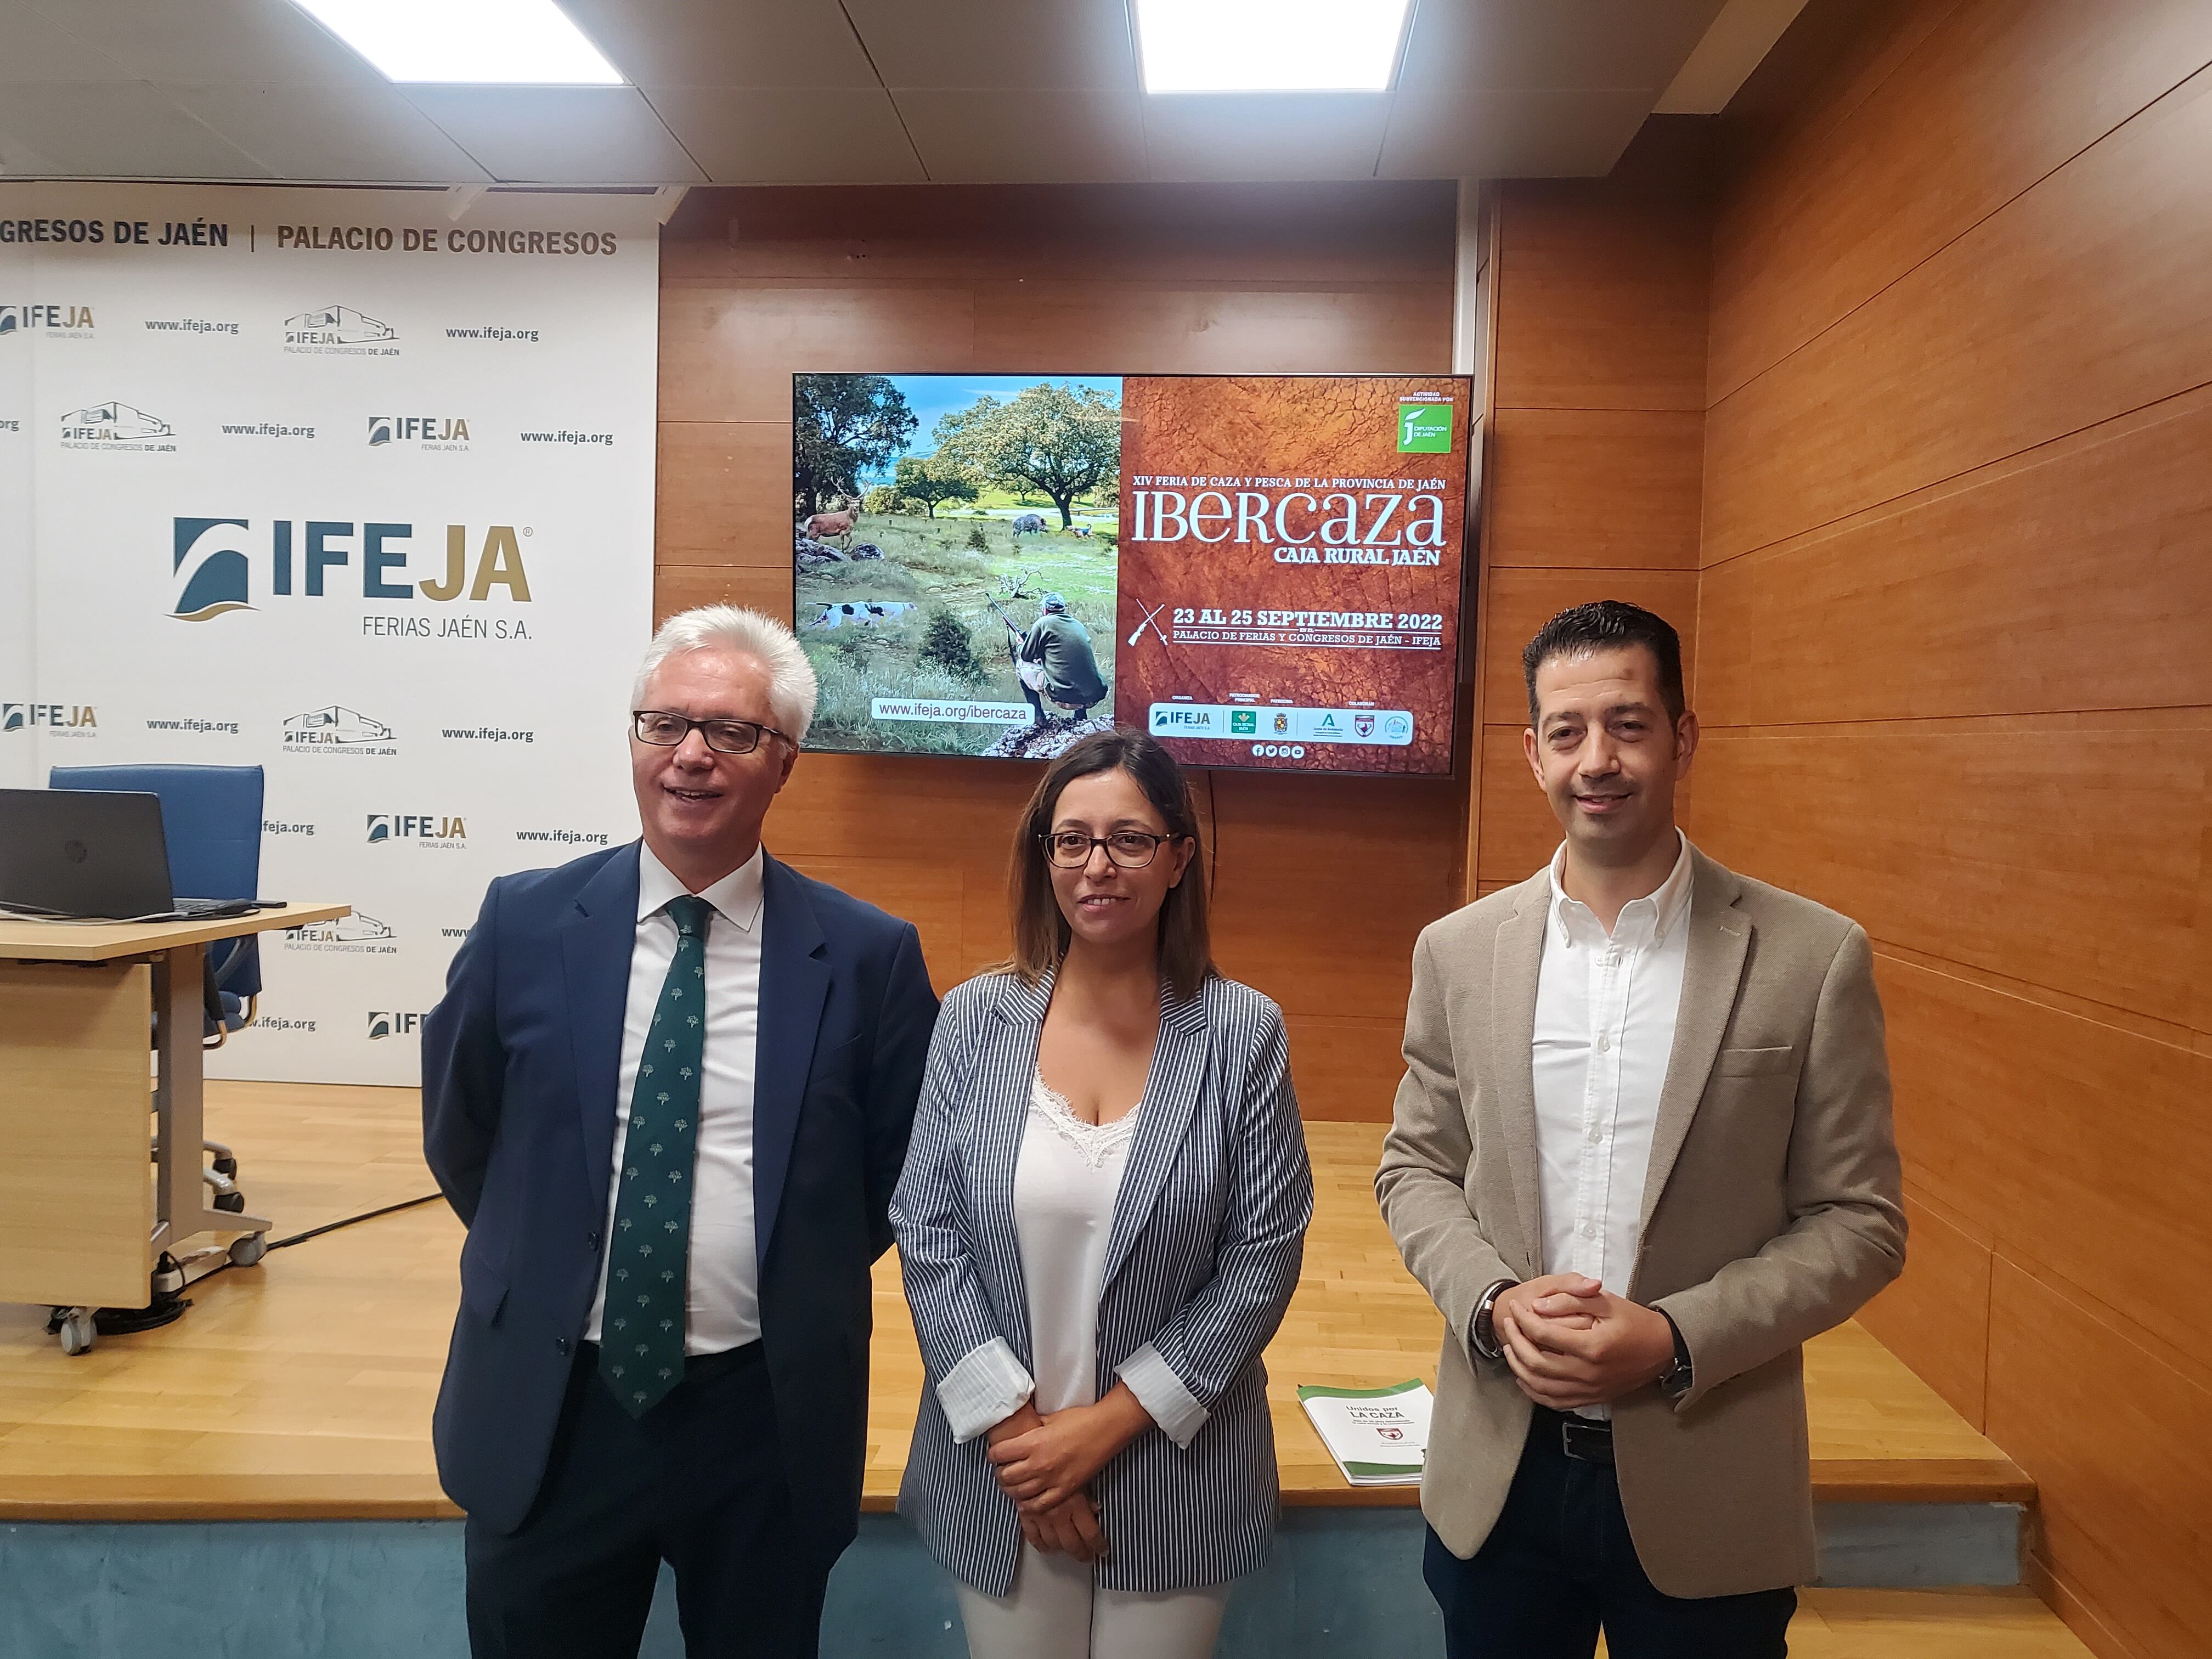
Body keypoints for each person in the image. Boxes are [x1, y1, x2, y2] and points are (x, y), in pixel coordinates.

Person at [1376, 601, 1905, 1658]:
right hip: (1500, 1478)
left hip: (1709, 1472)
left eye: (1627, 722)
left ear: (1682, 735)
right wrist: (1489, 1298)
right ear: (1531, 751)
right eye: (1566, 732)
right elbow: (1416, 1165)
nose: (1597, 759)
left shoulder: (1811, 956)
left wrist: (1673, 1337)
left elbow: (1859, 1221)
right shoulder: (1458, 950)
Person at [421, 604, 940, 1659]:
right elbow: (463, 1127)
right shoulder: (522, 922)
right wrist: (551, 1242)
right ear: (633, 740)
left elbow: (897, 1175)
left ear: (784, 761)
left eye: (732, 732)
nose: (691, 754)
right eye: (665, 724)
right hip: (553, 1409)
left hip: (766, 1419)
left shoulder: (868, 955)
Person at [891, 729, 1312, 1659]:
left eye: (1129, 838)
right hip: (1003, 1470)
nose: (1097, 865)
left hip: (1175, 1457)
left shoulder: (1243, 1030)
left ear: (1179, 859)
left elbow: (1261, 1257)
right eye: (1070, 838)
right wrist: (1024, 1440)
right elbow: (926, 1230)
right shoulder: (972, 1017)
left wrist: (1105, 1427)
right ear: (1043, 856)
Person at [1017, 592, 1107, 726]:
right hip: (1094, 696)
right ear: (1063, 609)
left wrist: (1020, 644)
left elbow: (1026, 656)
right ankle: (1081, 717)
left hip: (1063, 697)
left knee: (1020, 666)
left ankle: (1037, 717)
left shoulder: (1043, 623)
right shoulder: (1077, 625)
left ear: (1044, 610)